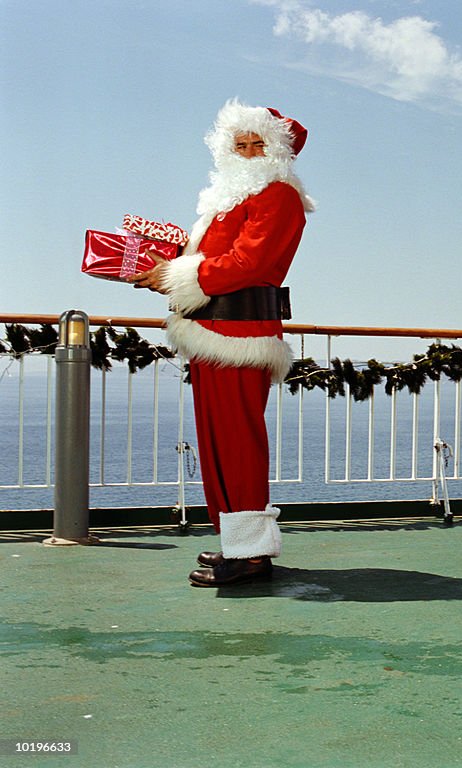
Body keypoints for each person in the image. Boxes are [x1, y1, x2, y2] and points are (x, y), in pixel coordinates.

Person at [130, 99, 315, 587]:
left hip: (242, 336)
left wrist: (174, 274)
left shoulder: (279, 196)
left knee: (236, 442)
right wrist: (162, 258)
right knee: (216, 443)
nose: (250, 153)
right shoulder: (228, 201)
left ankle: (252, 553)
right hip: (215, 333)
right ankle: (239, 541)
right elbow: (218, 258)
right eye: (241, 145)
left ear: (279, 152)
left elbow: (251, 264)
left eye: (259, 144)